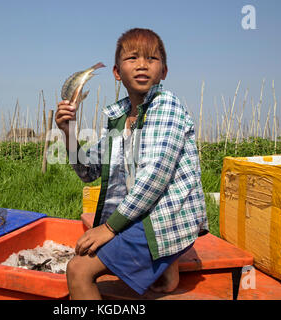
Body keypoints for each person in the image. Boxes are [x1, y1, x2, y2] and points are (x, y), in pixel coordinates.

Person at [55, 28, 208, 299]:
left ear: (164, 71)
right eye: (132, 58)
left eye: (151, 59)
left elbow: (155, 176)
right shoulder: (119, 118)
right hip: (140, 213)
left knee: (78, 269)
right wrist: (68, 131)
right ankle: (165, 267)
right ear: (117, 73)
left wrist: (109, 228)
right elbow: (88, 171)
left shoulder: (167, 106)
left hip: (164, 216)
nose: (141, 65)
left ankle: (166, 252)